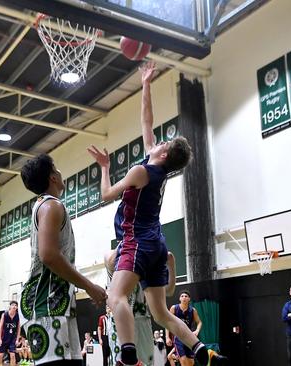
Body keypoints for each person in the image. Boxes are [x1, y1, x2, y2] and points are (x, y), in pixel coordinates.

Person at [88, 62, 210, 366]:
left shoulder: (141, 172)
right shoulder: (157, 169)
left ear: (165, 154)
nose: (160, 141)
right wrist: (145, 84)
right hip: (156, 243)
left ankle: (127, 356)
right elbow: (147, 122)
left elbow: (106, 194)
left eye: (165, 143)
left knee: (115, 297)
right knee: (161, 312)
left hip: (138, 241)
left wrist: (104, 167)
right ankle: (200, 350)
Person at [19, 154, 107, 366]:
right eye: (56, 169)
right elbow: (48, 255)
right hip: (45, 303)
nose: (60, 173)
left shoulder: (45, 205)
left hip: (57, 303)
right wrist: (90, 287)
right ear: (52, 178)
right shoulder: (51, 206)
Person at [0, 301, 20, 366]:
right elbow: (0, 327)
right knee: (0, 355)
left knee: (12, 355)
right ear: (10, 306)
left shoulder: (18, 315)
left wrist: (17, 339)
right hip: (4, 337)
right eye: (12, 305)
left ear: (17, 307)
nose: (14, 306)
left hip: (12, 338)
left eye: (16, 305)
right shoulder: (4, 315)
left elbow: (18, 328)